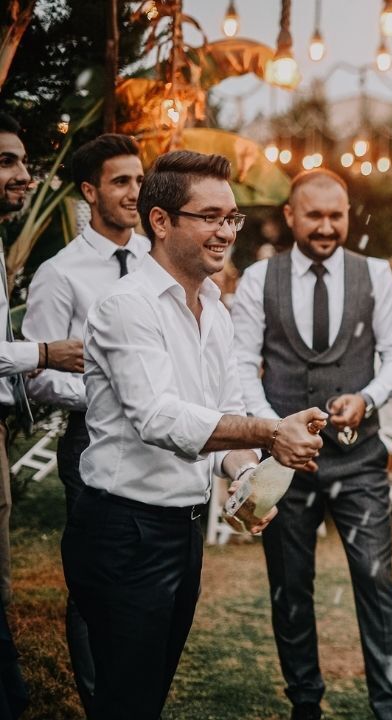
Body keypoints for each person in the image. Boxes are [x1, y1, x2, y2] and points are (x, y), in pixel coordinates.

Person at [61, 150, 325, 720]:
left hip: (183, 532)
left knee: (149, 696)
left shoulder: (216, 310)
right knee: (126, 703)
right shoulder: (126, 306)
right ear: (161, 221)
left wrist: (248, 476)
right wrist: (271, 432)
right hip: (122, 531)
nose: (226, 232)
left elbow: (224, 410)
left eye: (231, 218)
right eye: (210, 217)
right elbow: (158, 418)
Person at [232, 168, 392, 720]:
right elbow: (241, 365)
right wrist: (275, 430)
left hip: (359, 461)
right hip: (285, 465)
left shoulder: (375, 275)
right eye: (314, 215)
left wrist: (368, 398)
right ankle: (305, 702)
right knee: (290, 586)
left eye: (337, 215)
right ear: (290, 216)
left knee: (376, 579)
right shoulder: (258, 280)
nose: (327, 227)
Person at [22, 132, 149, 712]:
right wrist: (111, 396)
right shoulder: (60, 273)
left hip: (160, 443)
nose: (135, 191)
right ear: (89, 192)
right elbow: (39, 375)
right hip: (91, 439)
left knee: (150, 577)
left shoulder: (155, 260)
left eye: (140, 180)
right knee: (96, 578)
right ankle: (101, 703)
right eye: (121, 181)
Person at [0, 111, 85, 720]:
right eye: (6, 162)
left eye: (24, 162)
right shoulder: (62, 273)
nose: (24, 175)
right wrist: (45, 354)